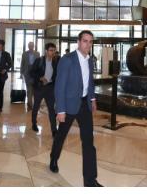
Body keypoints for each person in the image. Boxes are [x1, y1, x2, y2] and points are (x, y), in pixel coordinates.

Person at [50, 30, 102, 187]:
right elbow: (59, 86)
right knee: (61, 135)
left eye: (90, 42)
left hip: (84, 105)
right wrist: (60, 110)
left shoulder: (89, 60)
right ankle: (53, 158)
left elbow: (89, 82)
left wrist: (92, 98)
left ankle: (90, 181)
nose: (88, 44)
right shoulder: (67, 60)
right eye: (85, 41)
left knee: (88, 142)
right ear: (78, 42)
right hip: (68, 105)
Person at [30, 42, 59, 135]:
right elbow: (31, 72)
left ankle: (54, 130)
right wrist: (40, 78)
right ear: (46, 51)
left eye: (54, 50)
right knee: (36, 106)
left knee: (51, 109)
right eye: (51, 50)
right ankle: (34, 124)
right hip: (39, 87)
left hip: (50, 88)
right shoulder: (39, 61)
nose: (53, 52)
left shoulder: (56, 61)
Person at [19, 41, 40, 110]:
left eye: (32, 45)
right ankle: (30, 104)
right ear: (28, 46)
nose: (31, 47)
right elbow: (22, 63)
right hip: (27, 73)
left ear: (33, 46)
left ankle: (33, 102)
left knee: (34, 89)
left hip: (35, 73)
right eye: (29, 45)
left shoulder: (37, 53)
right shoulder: (24, 53)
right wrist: (21, 73)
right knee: (29, 88)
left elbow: (39, 64)